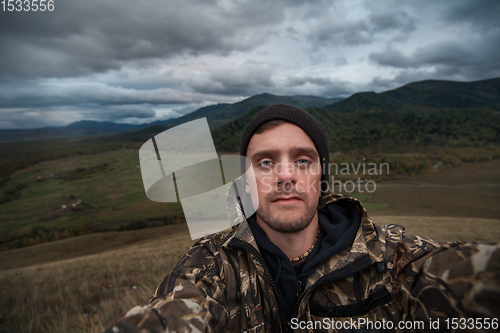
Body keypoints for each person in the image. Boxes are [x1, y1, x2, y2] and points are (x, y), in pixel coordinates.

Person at [106, 104, 499, 332]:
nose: (285, 174)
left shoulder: (389, 258)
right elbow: (176, 313)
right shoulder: (210, 268)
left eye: (303, 160)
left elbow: (460, 276)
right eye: (265, 162)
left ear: (320, 177)